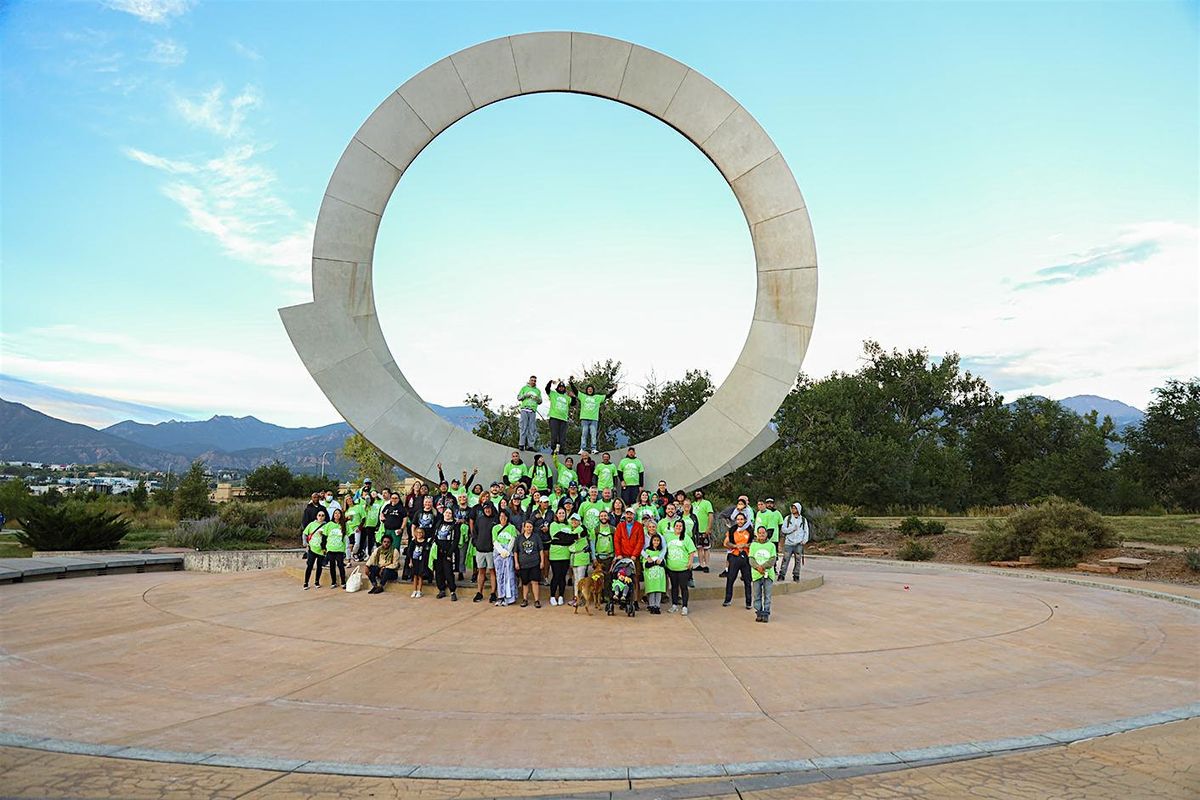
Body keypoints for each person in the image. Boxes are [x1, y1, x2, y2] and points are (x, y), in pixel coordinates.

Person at [571, 379, 615, 453]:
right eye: (588, 389)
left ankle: (593, 449)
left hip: (594, 419)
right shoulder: (583, 396)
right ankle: (582, 449)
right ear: (587, 390)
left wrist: (615, 390)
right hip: (584, 418)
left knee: (593, 434)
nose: (590, 390)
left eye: (591, 389)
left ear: (593, 390)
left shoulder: (597, 397)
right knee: (584, 434)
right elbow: (576, 391)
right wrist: (571, 383)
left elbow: (608, 396)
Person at [665, 519, 696, 615]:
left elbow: (691, 551)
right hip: (671, 567)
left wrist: (690, 562)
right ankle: (674, 605)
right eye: (677, 526)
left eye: (680, 526)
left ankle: (685, 606)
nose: (678, 527)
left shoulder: (686, 538)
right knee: (674, 587)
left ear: (683, 528)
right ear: (674, 527)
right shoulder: (668, 537)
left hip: (683, 568)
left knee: (683, 587)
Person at [723, 512, 753, 609]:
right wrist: (735, 546)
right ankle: (727, 600)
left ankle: (748, 602)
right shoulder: (732, 530)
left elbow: (754, 543)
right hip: (734, 556)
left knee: (747, 580)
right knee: (730, 579)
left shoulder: (749, 530)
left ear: (745, 520)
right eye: (738, 519)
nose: (740, 521)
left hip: (746, 556)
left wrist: (745, 545)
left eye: (741, 519)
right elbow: (726, 543)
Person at [471, 501, 499, 603]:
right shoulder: (479, 519)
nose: (487, 510)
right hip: (480, 550)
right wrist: (475, 542)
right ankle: (479, 592)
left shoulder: (496, 519)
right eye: (485, 508)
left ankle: (493, 593)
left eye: (489, 508)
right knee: (481, 571)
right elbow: (475, 532)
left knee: (492, 571)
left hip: (491, 551)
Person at [614, 508, 645, 598]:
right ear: (625, 515)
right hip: (623, 556)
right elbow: (617, 540)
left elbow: (640, 541)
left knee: (635, 578)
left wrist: (634, 555)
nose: (629, 516)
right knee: (621, 578)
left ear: (634, 516)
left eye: (631, 514)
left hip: (634, 557)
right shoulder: (620, 526)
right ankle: (623, 598)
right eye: (627, 514)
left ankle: (635, 600)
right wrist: (619, 554)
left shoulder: (639, 526)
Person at [514, 520, 545, 608]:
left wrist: (542, 561)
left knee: (535, 582)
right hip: (523, 564)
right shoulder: (519, 538)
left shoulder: (536, 537)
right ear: (524, 528)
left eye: (530, 527)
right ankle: (525, 599)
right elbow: (516, 552)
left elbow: (541, 550)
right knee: (525, 583)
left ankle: (536, 600)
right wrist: (516, 562)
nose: (529, 528)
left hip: (534, 563)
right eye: (527, 527)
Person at [750, 525, 777, 622]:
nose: (761, 535)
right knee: (757, 595)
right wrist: (758, 567)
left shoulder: (771, 546)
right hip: (756, 574)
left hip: (768, 574)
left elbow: (772, 559)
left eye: (763, 533)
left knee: (767, 595)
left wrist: (763, 567)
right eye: (759, 533)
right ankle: (759, 613)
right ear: (757, 534)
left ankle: (766, 613)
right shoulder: (753, 545)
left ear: (766, 534)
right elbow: (751, 559)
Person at [547, 507, 573, 606]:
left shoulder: (569, 524)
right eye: (560, 513)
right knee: (556, 575)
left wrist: (563, 540)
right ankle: (552, 596)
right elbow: (558, 535)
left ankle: (561, 595)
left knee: (563, 576)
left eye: (563, 513)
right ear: (556, 515)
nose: (562, 514)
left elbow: (567, 538)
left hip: (566, 554)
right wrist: (568, 539)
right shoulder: (553, 524)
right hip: (555, 555)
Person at [567, 513, 594, 607]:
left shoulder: (580, 529)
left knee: (580, 580)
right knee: (576, 580)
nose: (574, 522)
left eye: (576, 520)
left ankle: (580, 599)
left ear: (579, 521)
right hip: (575, 558)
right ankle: (576, 598)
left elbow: (570, 538)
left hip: (581, 557)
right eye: (572, 520)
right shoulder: (573, 529)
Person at [432, 508, 459, 600]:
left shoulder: (455, 525)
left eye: (450, 513)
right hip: (438, 551)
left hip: (448, 552)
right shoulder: (439, 523)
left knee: (448, 571)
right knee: (438, 571)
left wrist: (450, 553)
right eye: (446, 512)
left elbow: (456, 540)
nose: (448, 514)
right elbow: (434, 535)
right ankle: (441, 589)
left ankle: (452, 591)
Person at [493, 510, 518, 606]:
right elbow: (495, 541)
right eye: (501, 516)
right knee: (500, 575)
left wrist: (507, 551)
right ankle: (501, 596)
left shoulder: (512, 527)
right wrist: (501, 551)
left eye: (504, 516)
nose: (503, 518)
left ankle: (509, 597)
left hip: (508, 553)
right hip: (498, 554)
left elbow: (513, 539)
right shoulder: (495, 528)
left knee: (509, 575)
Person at [779, 502, 810, 582]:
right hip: (789, 543)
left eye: (795, 508)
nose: (793, 509)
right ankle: (782, 574)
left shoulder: (803, 520)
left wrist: (804, 540)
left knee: (798, 560)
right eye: (792, 508)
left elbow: (806, 531)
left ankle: (796, 575)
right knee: (785, 559)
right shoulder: (788, 518)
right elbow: (783, 529)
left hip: (798, 543)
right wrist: (792, 529)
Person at [545, 377, 576, 453]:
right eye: (560, 387)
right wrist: (550, 382)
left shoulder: (567, 397)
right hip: (554, 417)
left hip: (564, 419)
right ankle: (553, 449)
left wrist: (573, 396)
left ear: (564, 388)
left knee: (562, 436)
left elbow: (573, 403)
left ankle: (562, 450)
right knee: (554, 435)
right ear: (558, 388)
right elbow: (547, 389)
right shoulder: (553, 394)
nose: (561, 388)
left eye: (563, 387)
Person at [641, 532, 667, 614]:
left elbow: (664, 563)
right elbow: (646, 564)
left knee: (658, 590)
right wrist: (654, 562)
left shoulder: (661, 552)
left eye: (658, 541)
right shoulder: (647, 551)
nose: (656, 542)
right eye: (654, 540)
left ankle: (657, 606)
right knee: (652, 591)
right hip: (651, 576)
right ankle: (651, 605)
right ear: (651, 541)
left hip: (659, 576)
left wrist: (660, 561)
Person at [302, 509, 328, 590]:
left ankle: (317, 581)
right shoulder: (312, 524)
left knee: (319, 566)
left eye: (322, 515)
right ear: (316, 516)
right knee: (310, 565)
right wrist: (305, 542)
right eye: (319, 515)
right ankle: (306, 582)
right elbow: (305, 533)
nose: (321, 517)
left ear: (325, 517)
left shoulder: (326, 525)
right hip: (312, 548)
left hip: (321, 549)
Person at [404, 526, 432, 597]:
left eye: (420, 533)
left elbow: (427, 553)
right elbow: (410, 552)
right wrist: (410, 561)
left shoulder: (426, 542)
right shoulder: (413, 542)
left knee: (420, 576)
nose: (419, 534)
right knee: (415, 576)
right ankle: (414, 590)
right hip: (414, 560)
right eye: (417, 533)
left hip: (422, 562)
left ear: (423, 534)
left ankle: (419, 590)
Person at [324, 508, 349, 588]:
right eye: (335, 513)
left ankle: (343, 582)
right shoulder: (329, 524)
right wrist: (323, 547)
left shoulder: (344, 524)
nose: (337, 515)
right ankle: (333, 582)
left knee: (340, 565)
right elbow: (324, 536)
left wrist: (351, 543)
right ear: (333, 515)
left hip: (340, 548)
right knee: (332, 566)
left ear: (341, 515)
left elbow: (350, 534)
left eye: (338, 513)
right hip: (331, 548)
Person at [517, 376, 542, 450]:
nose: (533, 382)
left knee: (532, 428)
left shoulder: (538, 391)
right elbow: (519, 397)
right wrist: (525, 395)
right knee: (523, 427)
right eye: (532, 380)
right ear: (529, 381)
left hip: (533, 410)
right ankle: (521, 444)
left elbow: (540, 401)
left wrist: (537, 398)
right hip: (524, 409)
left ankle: (531, 445)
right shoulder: (524, 388)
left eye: (535, 381)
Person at [692, 489, 714, 573]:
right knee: (699, 548)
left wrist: (709, 528)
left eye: (699, 491)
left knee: (706, 548)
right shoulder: (693, 504)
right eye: (696, 492)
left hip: (704, 529)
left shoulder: (707, 503)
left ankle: (707, 565)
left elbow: (710, 515)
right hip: (696, 530)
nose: (697, 493)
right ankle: (701, 564)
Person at [379, 492, 405, 559]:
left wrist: (401, 529)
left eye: (396, 498)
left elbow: (405, 519)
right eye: (392, 498)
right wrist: (383, 518)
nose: (394, 499)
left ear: (399, 499)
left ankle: (395, 561)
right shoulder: (387, 506)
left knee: (395, 547)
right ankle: (387, 560)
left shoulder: (401, 508)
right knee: (386, 546)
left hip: (396, 530)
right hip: (387, 530)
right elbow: (382, 513)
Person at [592, 509, 616, 573]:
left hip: (610, 557)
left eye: (605, 516)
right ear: (599, 518)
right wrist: (594, 557)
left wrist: (615, 556)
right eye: (601, 516)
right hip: (598, 558)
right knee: (598, 578)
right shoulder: (595, 530)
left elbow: (616, 543)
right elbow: (592, 544)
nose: (603, 517)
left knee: (608, 578)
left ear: (608, 517)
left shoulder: (613, 529)